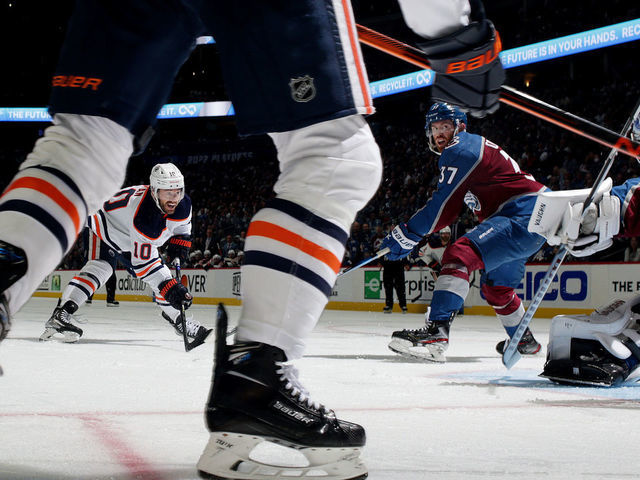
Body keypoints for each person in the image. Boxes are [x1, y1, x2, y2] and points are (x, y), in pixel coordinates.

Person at [0, 1, 504, 477]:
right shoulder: (142, 208)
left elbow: (168, 244)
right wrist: (460, 36)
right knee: (334, 157)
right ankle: (255, 378)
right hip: (118, 236)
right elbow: (144, 255)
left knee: (83, 143)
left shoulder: (177, 207)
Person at [383, 102, 544, 363]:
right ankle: (523, 339)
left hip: (522, 214)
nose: (439, 133)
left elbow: (443, 209)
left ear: (460, 126)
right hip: (528, 217)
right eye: (435, 128)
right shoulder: (469, 150)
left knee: (460, 253)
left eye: (445, 126)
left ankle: (437, 332)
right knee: (497, 289)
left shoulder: (460, 148)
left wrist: (407, 234)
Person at [40, 163, 211, 345]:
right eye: (167, 193)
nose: (174, 199)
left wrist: (180, 244)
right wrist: (170, 288)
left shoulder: (183, 204)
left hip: (126, 232)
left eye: (177, 191)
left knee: (163, 278)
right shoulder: (144, 217)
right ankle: (62, 313)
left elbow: (182, 229)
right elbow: (144, 266)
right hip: (103, 224)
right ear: (154, 191)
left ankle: (179, 320)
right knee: (103, 267)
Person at [83, 227, 119, 306]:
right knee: (109, 275)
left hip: (98, 251)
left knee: (93, 275)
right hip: (99, 251)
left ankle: (89, 297)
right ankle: (109, 299)